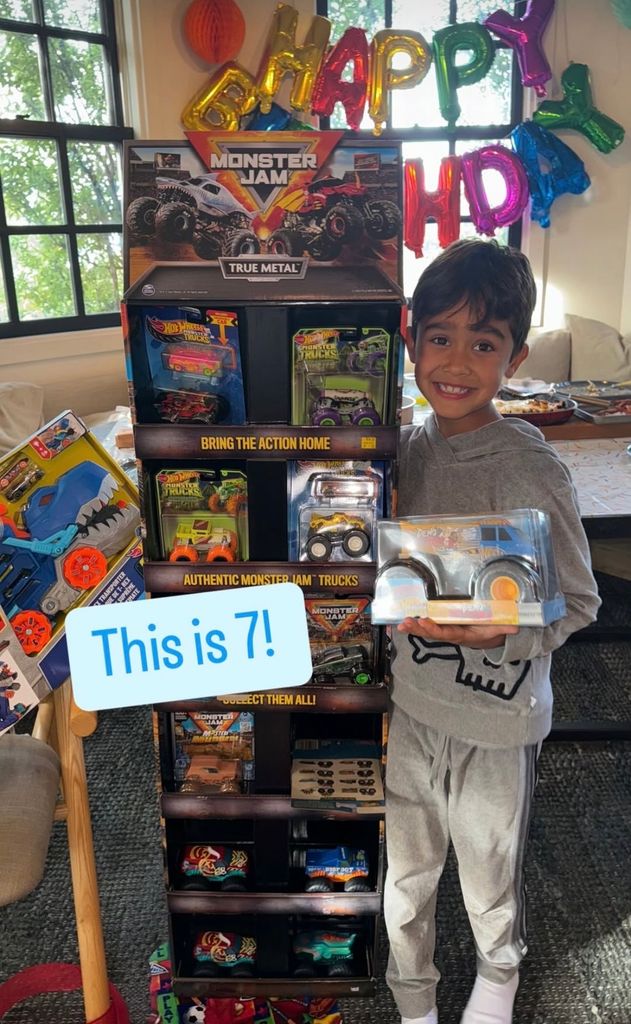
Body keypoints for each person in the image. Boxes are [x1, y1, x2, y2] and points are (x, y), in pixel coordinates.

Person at [384, 238, 600, 1024]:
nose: (457, 361)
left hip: (497, 717)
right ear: (410, 344)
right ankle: (412, 997)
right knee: (404, 875)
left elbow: (578, 601)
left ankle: (497, 976)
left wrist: (503, 636)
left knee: (486, 865)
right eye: (438, 336)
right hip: (411, 702)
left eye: (484, 343)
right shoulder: (398, 452)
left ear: (513, 357)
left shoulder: (530, 466)